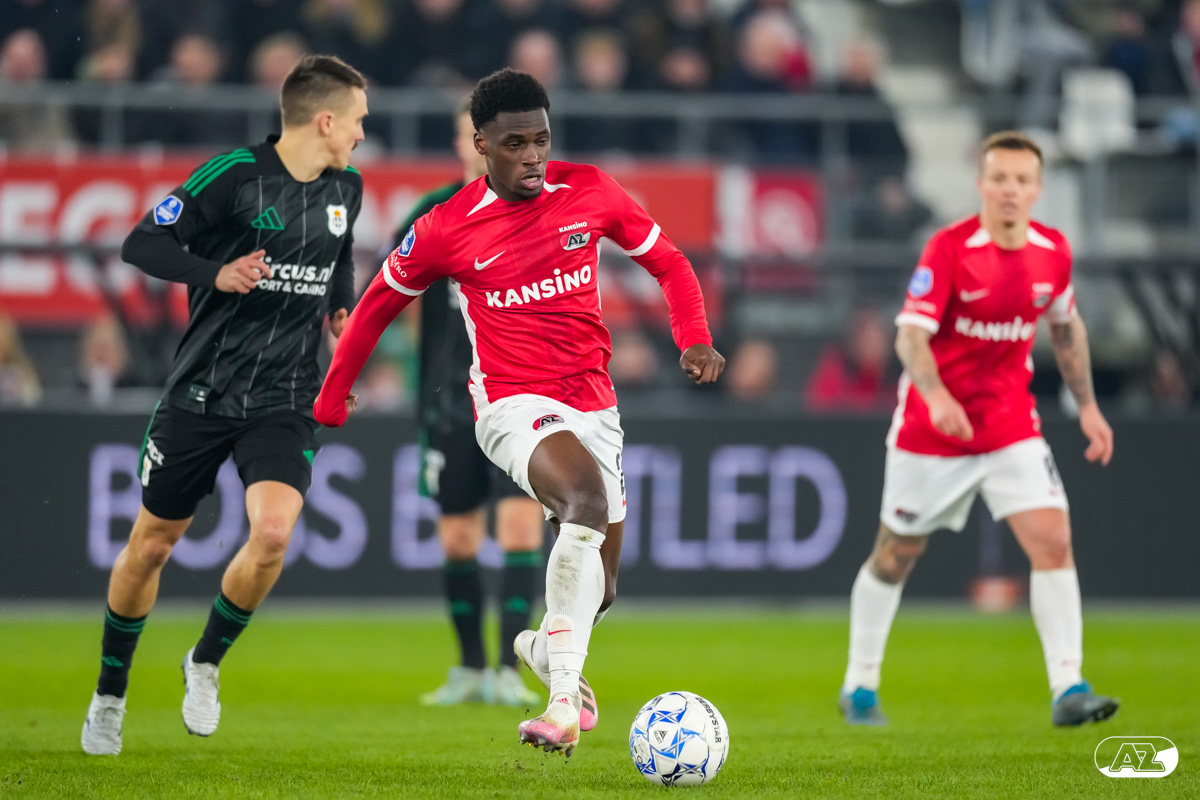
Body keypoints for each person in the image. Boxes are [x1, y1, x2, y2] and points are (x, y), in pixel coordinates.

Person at [314, 68, 723, 756]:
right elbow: (378, 304)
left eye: (541, 140)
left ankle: (538, 648)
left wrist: (695, 337)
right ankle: (562, 705)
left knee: (602, 589)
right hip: (511, 404)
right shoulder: (445, 227)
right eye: (514, 144)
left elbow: (670, 262)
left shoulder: (589, 190)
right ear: (481, 144)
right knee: (586, 503)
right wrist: (332, 394)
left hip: (594, 403)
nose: (532, 156)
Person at [81, 54, 368, 756]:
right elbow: (141, 242)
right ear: (324, 120)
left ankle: (205, 661)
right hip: (202, 392)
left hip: (286, 396)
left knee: (271, 534)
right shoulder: (233, 175)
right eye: (358, 120)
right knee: (152, 545)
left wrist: (341, 312)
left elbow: (340, 257)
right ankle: (110, 694)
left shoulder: (348, 188)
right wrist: (216, 272)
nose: (363, 133)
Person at [838, 130, 1118, 728]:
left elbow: (1066, 327)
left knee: (1053, 540)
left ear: (1037, 189)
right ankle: (859, 684)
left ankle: (1068, 687)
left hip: (1011, 425)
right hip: (932, 432)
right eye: (1000, 178)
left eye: (1022, 180)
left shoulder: (1053, 251)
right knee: (895, 555)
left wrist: (1088, 407)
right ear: (981, 184)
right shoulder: (949, 249)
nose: (1010, 190)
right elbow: (909, 337)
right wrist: (937, 396)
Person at [395, 97, 547, 709]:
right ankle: (469, 668)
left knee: (519, 527)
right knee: (458, 538)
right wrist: (426, 377)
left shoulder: (534, 208)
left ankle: (509, 669)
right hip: (452, 402)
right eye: (468, 134)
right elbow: (404, 301)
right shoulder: (431, 213)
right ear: (464, 142)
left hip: (519, 395)